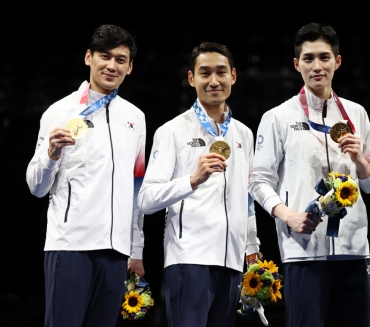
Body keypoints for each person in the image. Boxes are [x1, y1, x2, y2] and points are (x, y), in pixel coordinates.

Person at [249, 23, 370, 326]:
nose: (317, 66)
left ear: (337, 61)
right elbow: (258, 181)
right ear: (297, 64)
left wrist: (359, 159)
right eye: (308, 58)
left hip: (355, 250)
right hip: (303, 249)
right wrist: (288, 216)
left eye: (324, 57)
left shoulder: (356, 113)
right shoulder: (278, 117)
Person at [26, 24, 146, 327]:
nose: (111, 65)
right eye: (104, 56)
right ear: (88, 58)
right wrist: (51, 155)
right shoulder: (59, 111)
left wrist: (135, 249)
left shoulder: (136, 118)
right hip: (70, 246)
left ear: (130, 67)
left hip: (116, 253)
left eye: (121, 59)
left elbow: (136, 188)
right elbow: (36, 187)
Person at [138, 42, 260, 327]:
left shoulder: (243, 133)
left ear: (233, 76)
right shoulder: (172, 131)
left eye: (221, 72)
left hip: (231, 260)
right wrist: (191, 180)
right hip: (189, 258)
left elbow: (248, 197)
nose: (214, 81)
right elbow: (146, 199)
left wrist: (251, 247)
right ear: (192, 79)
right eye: (205, 73)